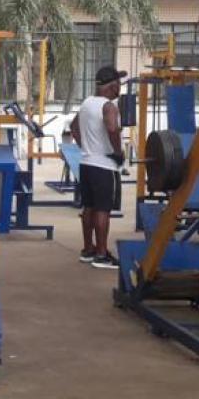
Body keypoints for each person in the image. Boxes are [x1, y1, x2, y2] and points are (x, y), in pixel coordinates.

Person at [70, 65, 126, 269]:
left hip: (86, 163)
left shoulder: (87, 103)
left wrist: (85, 147)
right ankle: (102, 254)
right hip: (104, 165)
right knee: (103, 209)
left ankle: (88, 249)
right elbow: (112, 129)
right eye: (118, 83)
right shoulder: (108, 106)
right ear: (112, 86)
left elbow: (73, 127)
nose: (120, 87)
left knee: (89, 207)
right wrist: (118, 153)